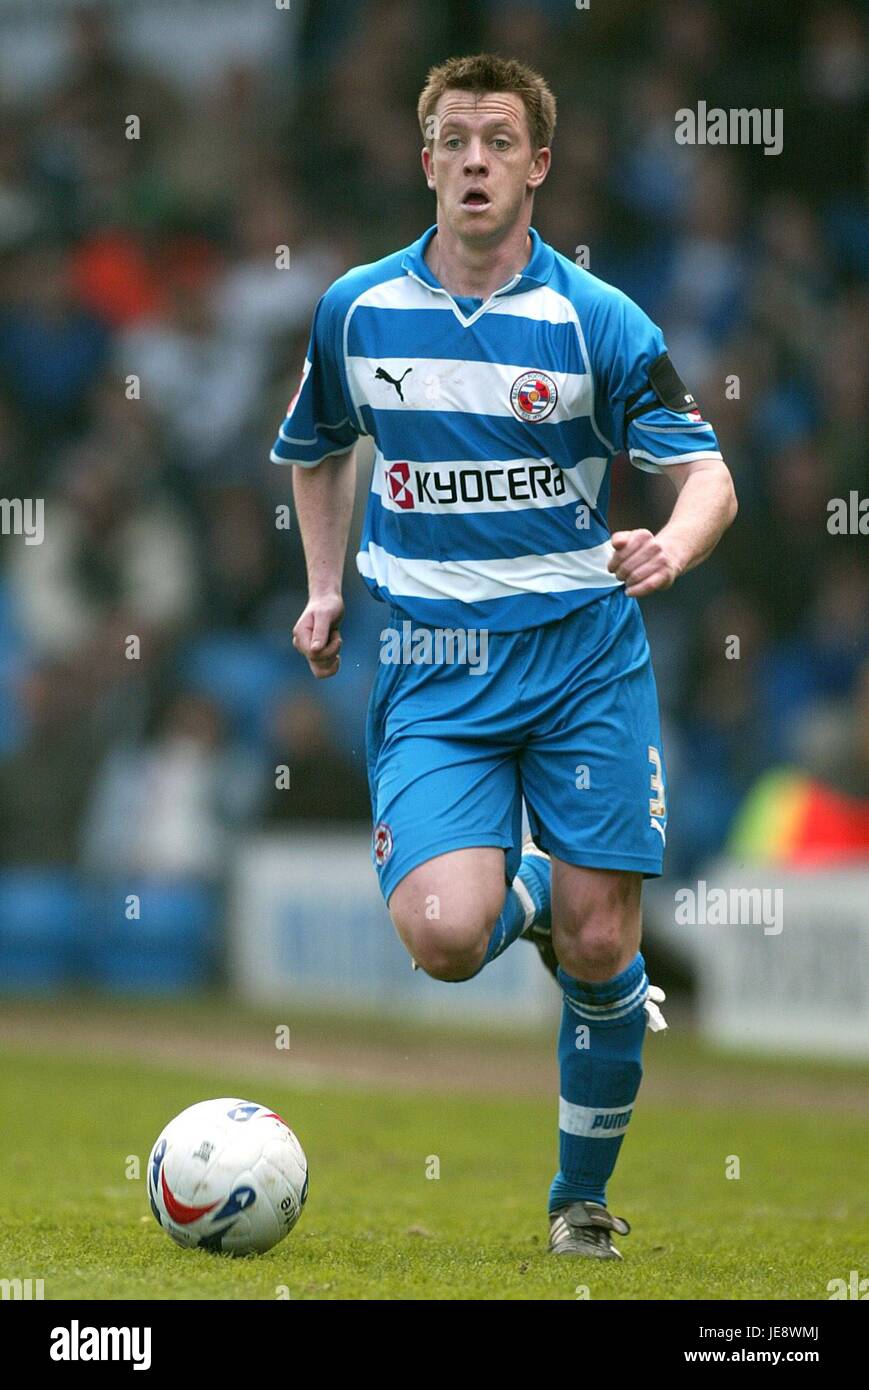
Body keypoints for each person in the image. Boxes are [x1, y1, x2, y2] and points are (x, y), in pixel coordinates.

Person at [270, 54, 737, 1258]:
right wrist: (323, 589)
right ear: (424, 161)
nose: (473, 160)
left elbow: (708, 476)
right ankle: (527, 881)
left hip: (582, 660)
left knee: (600, 942)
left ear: (537, 163)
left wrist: (671, 552)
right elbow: (315, 446)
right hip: (432, 665)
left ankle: (577, 1202)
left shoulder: (595, 319)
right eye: (452, 140)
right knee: (441, 937)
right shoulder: (358, 310)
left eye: (497, 140)